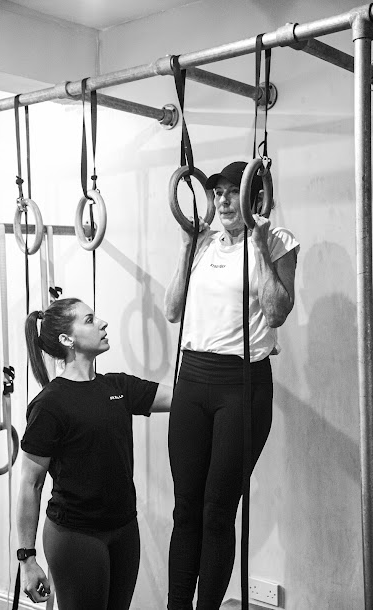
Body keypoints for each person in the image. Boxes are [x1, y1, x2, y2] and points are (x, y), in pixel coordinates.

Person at [164, 161, 299, 610]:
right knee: (186, 510)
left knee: (216, 512)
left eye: (231, 192)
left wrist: (259, 248)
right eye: (217, 192)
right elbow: (172, 310)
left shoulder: (277, 241)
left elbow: (276, 312)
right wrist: (186, 247)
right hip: (192, 379)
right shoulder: (203, 242)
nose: (222, 200)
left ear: (256, 198)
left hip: (241, 385)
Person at [16, 297, 171, 609]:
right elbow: (31, 484)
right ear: (67, 339)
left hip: (125, 529)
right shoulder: (50, 404)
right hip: (75, 536)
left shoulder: (118, 387)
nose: (102, 323)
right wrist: (27, 559)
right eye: (89, 320)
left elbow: (183, 399)